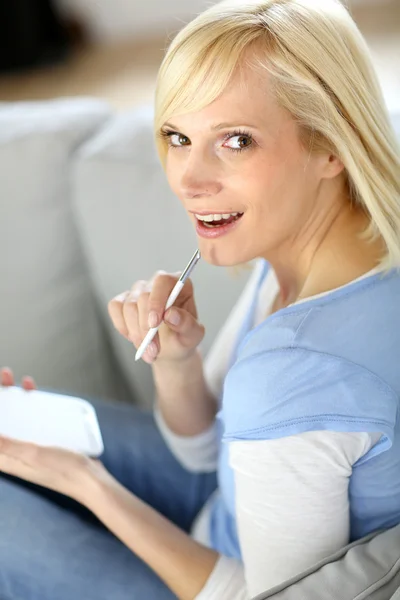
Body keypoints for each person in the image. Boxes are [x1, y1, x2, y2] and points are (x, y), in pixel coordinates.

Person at [1, 0, 399, 598]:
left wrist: (87, 485)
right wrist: (177, 361)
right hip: (222, 505)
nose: (188, 179)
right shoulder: (327, 246)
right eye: (178, 136)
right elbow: (205, 457)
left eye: (236, 140)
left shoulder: (293, 373)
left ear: (330, 144)